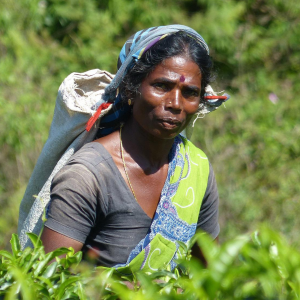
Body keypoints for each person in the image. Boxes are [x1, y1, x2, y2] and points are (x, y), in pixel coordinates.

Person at [41, 25, 226, 273]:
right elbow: (48, 283)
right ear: (130, 88)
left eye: (190, 92)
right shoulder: (88, 176)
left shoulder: (195, 168)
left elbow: (208, 275)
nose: (175, 104)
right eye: (161, 86)